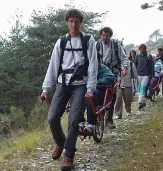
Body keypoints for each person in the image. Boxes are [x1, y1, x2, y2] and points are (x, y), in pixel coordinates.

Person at [40, 9, 98, 170]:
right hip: (62, 84)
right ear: (67, 22)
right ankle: (60, 143)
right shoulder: (61, 42)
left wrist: (91, 88)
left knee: (74, 121)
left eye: (77, 21)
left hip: (80, 85)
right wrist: (46, 89)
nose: (74, 24)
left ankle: (68, 154)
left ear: (81, 22)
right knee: (52, 118)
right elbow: (53, 66)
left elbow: (93, 65)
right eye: (71, 21)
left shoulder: (88, 40)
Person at [96, 27, 129, 127]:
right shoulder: (96, 45)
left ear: (110, 36)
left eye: (107, 36)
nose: (105, 38)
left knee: (112, 95)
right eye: (103, 36)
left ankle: (109, 119)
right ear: (100, 36)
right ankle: (98, 118)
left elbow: (123, 57)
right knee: (98, 92)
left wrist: (125, 68)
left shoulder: (115, 45)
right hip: (100, 72)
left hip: (113, 72)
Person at [81, 53, 115, 133]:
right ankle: (80, 122)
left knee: (92, 96)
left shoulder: (102, 68)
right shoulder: (85, 68)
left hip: (99, 90)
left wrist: (94, 84)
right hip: (86, 89)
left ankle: (91, 124)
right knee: (78, 95)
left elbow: (110, 77)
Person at [114, 51, 138, 119]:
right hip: (119, 84)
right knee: (118, 99)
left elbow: (135, 75)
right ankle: (118, 114)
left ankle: (128, 111)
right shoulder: (116, 63)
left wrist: (135, 84)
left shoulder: (130, 63)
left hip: (128, 84)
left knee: (127, 99)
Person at [134, 44, 154, 110]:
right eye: (140, 49)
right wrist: (135, 73)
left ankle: (140, 103)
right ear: (139, 49)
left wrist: (153, 75)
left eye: (143, 49)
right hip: (138, 75)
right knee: (140, 89)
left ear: (145, 49)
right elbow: (135, 65)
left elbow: (151, 66)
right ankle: (142, 103)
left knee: (142, 88)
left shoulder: (149, 56)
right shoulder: (137, 56)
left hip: (146, 75)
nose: (142, 50)